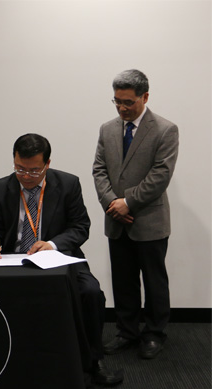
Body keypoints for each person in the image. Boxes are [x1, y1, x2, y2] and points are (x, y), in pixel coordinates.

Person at [0, 133, 123, 389]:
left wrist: (53, 244)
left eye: (34, 171)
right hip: (13, 259)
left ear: (47, 164)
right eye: (20, 168)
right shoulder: (1, 187)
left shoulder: (68, 184)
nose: (26, 176)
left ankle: (94, 360)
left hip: (59, 259)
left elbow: (81, 227)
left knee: (91, 292)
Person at [92, 69, 179, 359]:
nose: (122, 108)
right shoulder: (107, 129)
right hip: (116, 220)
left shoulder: (165, 130)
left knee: (154, 282)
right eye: (117, 101)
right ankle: (126, 332)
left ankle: (154, 333)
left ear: (145, 97)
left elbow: (160, 175)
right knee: (123, 280)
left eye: (128, 102)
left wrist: (128, 203)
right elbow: (99, 170)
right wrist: (112, 203)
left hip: (149, 220)